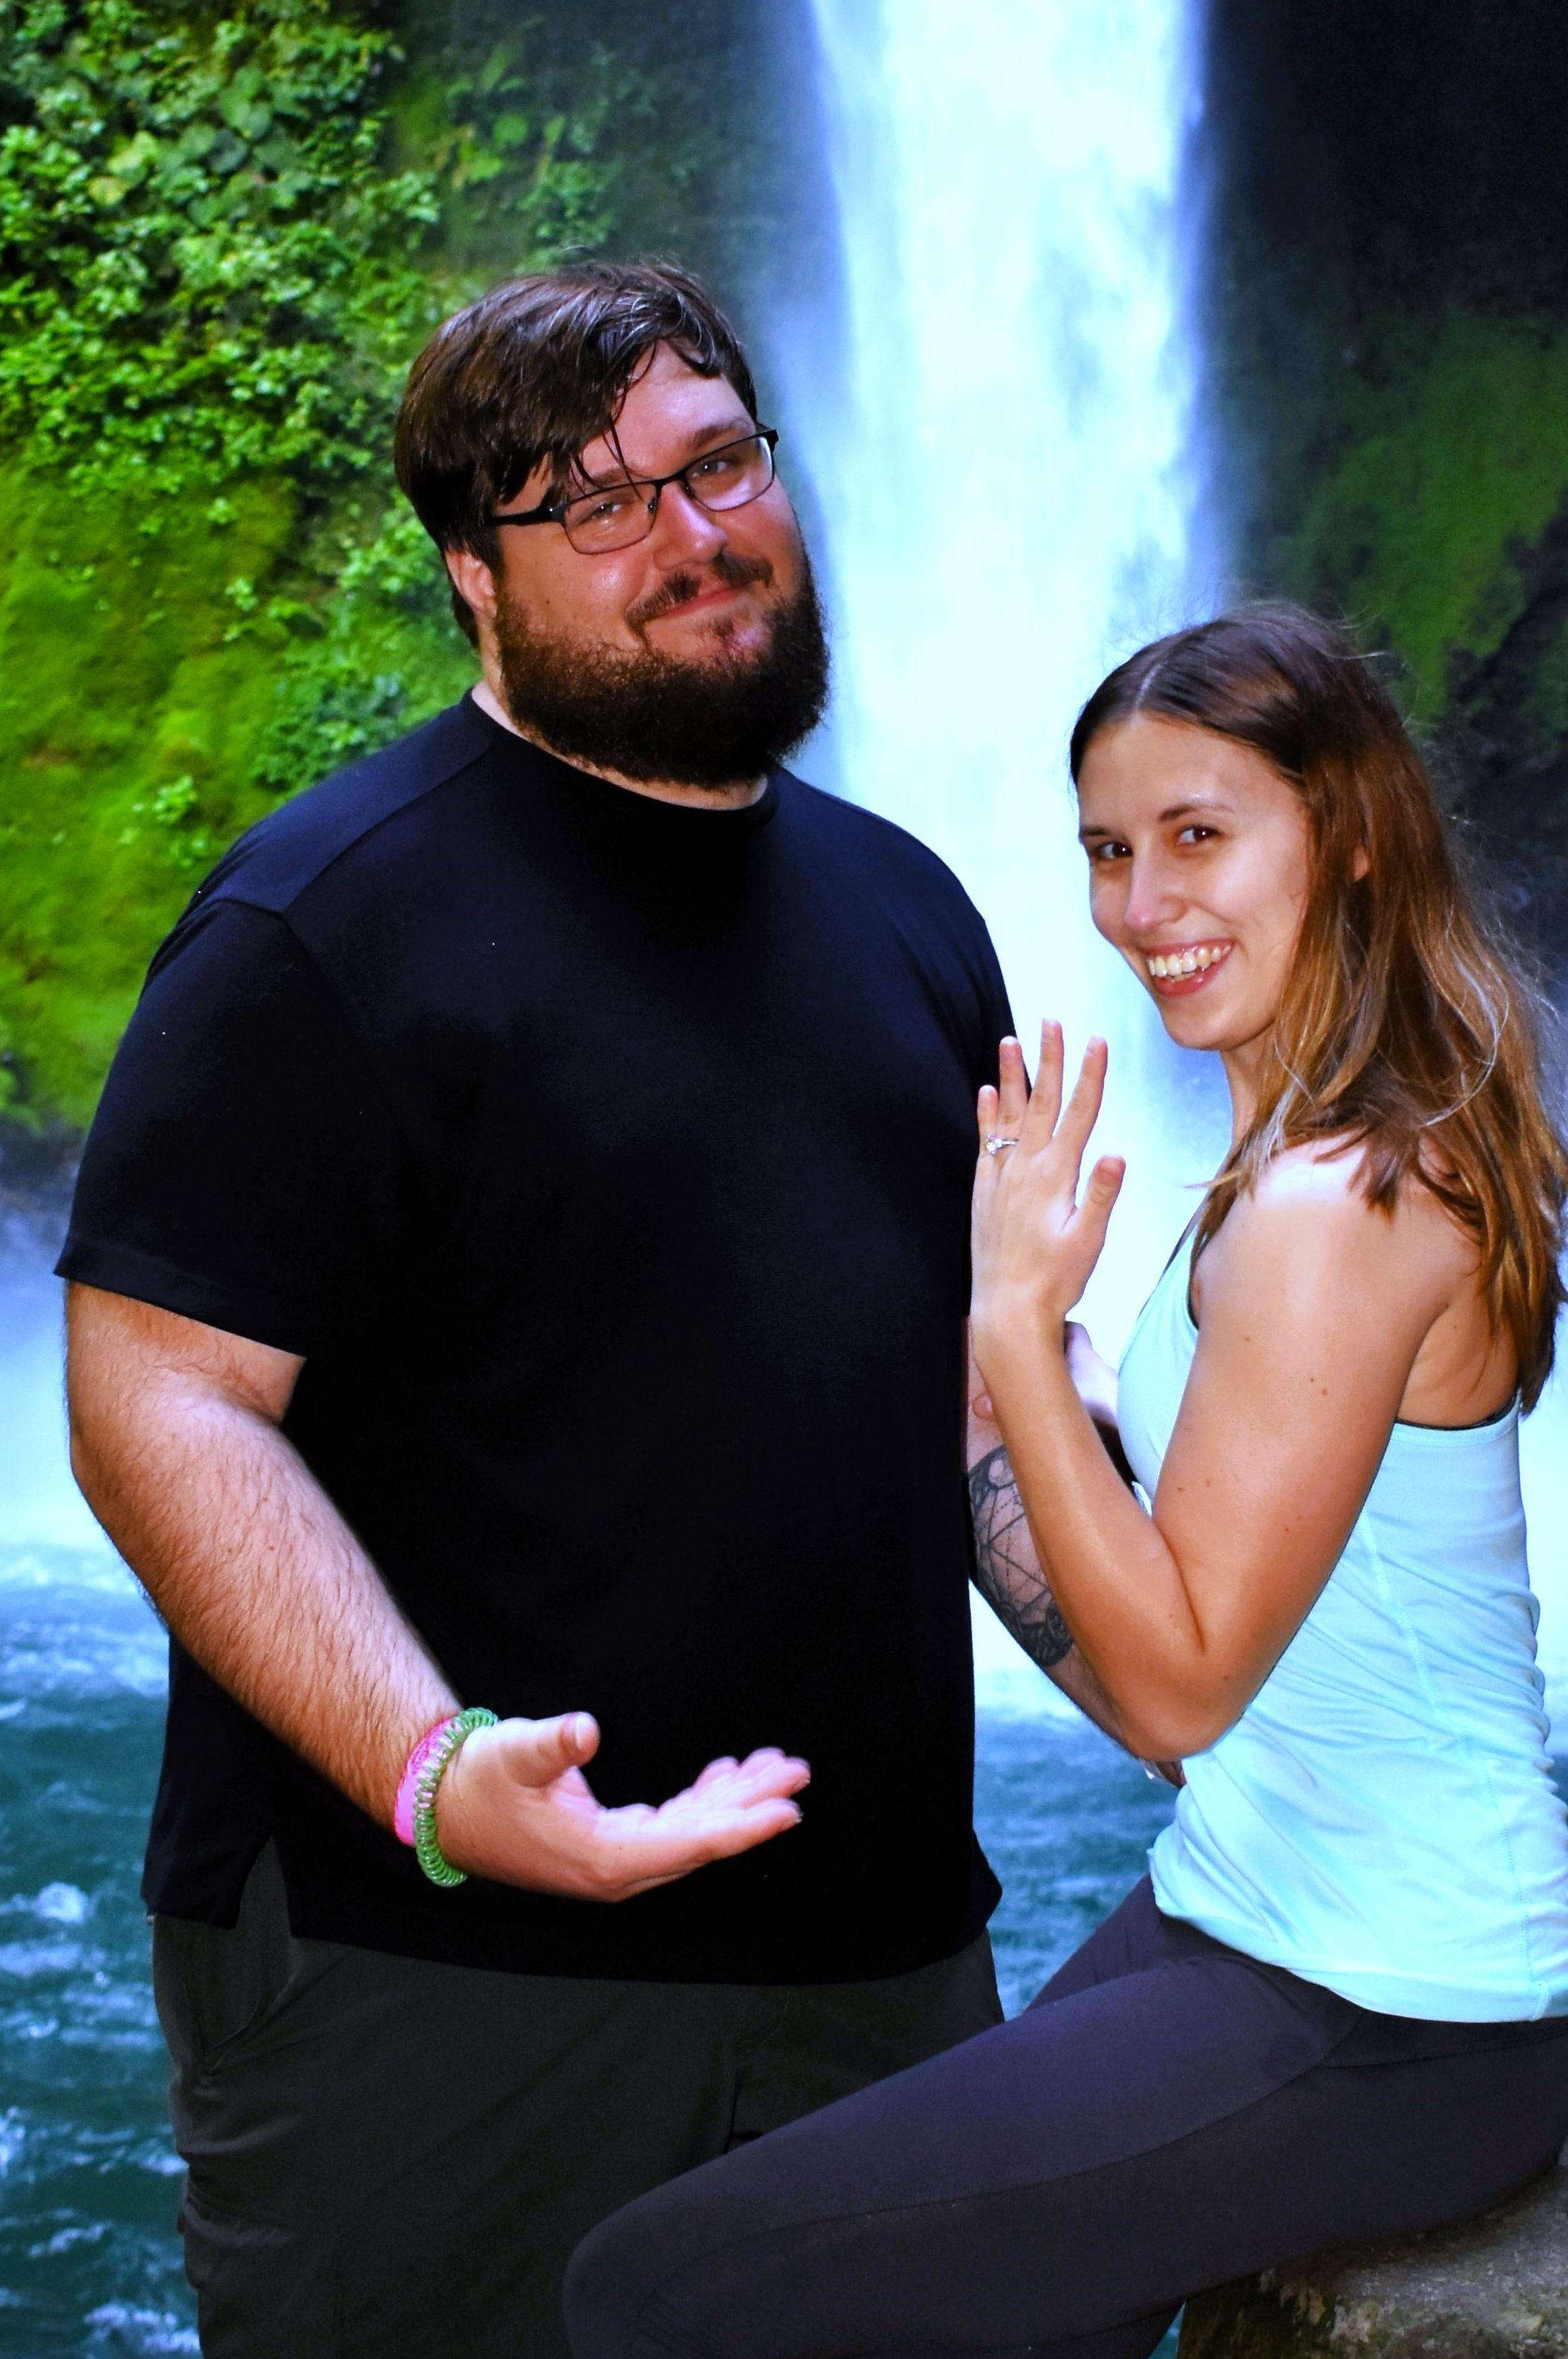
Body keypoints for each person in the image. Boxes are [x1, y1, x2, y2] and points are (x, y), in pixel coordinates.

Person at [54, 257, 1032, 2359]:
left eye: (714, 461)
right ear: (470, 581)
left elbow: (962, 1414)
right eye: (591, 504)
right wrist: (433, 1770)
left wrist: (1161, 1647)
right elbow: (157, 1397)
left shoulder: (911, 914)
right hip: (433, 1972)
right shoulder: (323, 928)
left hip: (874, 1966)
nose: (688, 535)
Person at [565, 601, 1568, 2359]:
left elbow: (1176, 1689)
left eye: (1200, 836)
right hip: (1258, 1903)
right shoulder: (1349, 1141)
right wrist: (1028, 1388)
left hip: (1390, 2004)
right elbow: (1194, 1591)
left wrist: (1020, 1331)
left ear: (1344, 829)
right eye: (1110, 852)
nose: (1141, 907)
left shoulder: (1331, 1209)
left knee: (648, 2292)